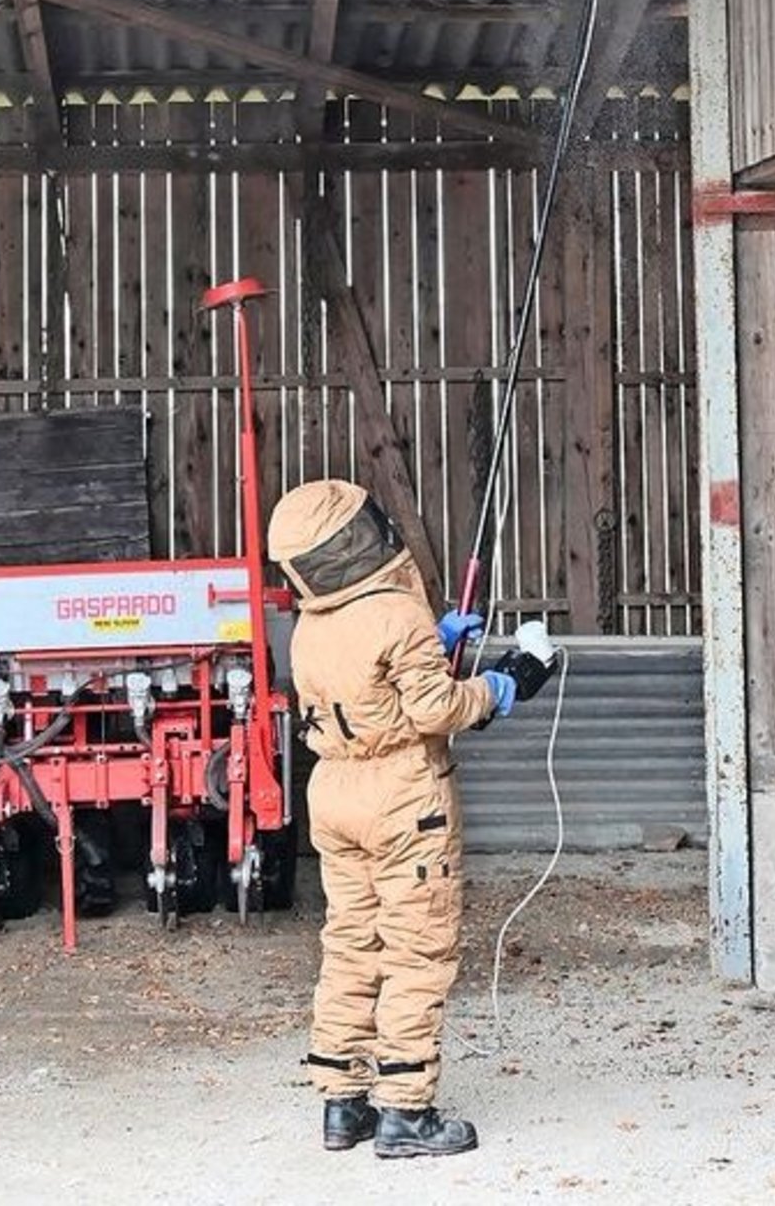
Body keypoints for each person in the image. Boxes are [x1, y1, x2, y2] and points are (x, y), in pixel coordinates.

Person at [267, 478, 514, 1161]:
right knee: (416, 948)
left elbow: (366, 687)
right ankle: (407, 1109)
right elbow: (434, 709)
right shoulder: (396, 610)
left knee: (350, 942)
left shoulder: (311, 626)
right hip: (403, 796)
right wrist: (496, 687)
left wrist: (431, 641)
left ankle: (341, 1104)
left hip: (335, 790)